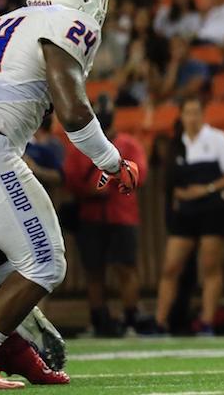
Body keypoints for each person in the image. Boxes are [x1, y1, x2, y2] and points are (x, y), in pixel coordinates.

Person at [0, 0, 139, 388]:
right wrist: (111, 160)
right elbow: (73, 112)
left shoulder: (3, 23)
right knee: (45, 263)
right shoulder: (68, 22)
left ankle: (16, 334)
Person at [64, 93, 148, 337]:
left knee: (126, 268)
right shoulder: (80, 145)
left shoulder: (129, 144)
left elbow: (139, 174)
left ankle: (131, 319)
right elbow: (70, 177)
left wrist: (109, 184)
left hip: (121, 215)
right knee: (94, 271)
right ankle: (98, 321)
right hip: (90, 216)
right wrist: (88, 189)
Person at [155, 97, 224, 335]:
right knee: (171, 267)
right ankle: (160, 322)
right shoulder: (177, 144)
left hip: (213, 209)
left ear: (203, 115)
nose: (192, 117)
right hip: (185, 212)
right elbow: (170, 182)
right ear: (181, 116)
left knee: (210, 267)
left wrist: (207, 189)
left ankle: (207, 321)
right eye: (188, 112)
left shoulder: (217, 139)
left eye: (196, 112)